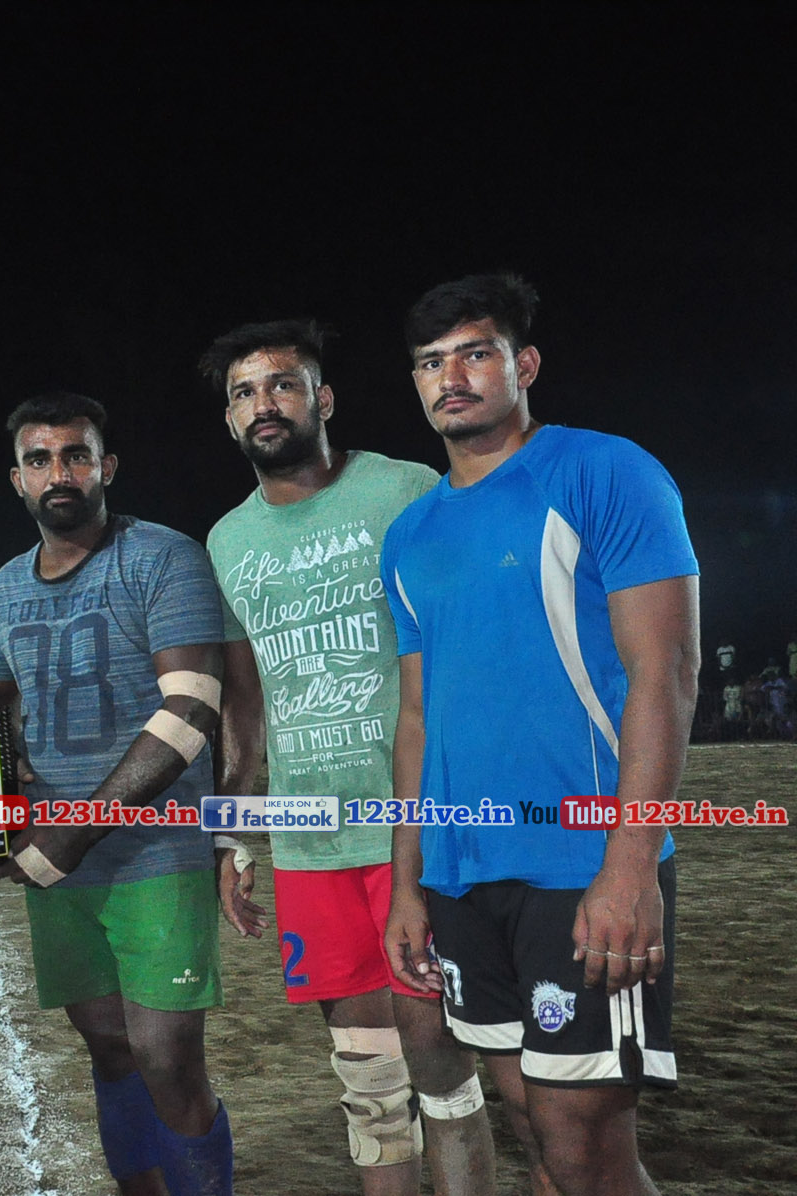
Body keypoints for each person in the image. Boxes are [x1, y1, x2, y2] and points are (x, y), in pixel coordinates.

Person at [382, 274, 697, 1196]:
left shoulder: (604, 472)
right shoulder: (410, 535)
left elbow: (666, 674)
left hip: (581, 866)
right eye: (430, 363)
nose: (451, 378)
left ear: (523, 365)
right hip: (462, 875)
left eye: (474, 354)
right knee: (529, 1116)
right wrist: (407, 885)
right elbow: (418, 717)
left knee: (581, 1140)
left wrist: (630, 868)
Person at [198, 319, 496, 1196]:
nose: (265, 403)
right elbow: (244, 700)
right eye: (245, 393)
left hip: (417, 829)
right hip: (310, 841)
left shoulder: (404, 489)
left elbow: (465, 648)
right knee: (367, 1082)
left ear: (321, 399)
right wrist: (232, 831)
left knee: (439, 1061)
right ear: (230, 418)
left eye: (282, 384)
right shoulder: (227, 541)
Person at [0, 392, 232, 1196]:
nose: (60, 473)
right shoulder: (3, 589)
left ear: (106, 467)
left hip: (155, 851)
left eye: (76, 455)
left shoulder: (164, 557)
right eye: (40, 459)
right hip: (61, 865)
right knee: (110, 1049)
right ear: (17, 478)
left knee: (164, 1054)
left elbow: (191, 709)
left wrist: (71, 833)